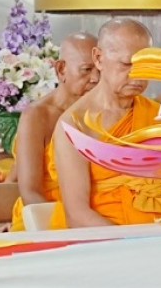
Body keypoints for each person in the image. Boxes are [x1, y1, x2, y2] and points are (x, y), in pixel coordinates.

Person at [52, 18, 161, 227]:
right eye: (126, 64)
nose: (137, 76)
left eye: (144, 66)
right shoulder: (75, 124)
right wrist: (129, 246)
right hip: (105, 240)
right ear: (98, 58)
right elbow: (77, 214)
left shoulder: (158, 114)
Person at [12, 33, 101, 212]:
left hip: (100, 211)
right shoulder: (38, 116)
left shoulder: (103, 111)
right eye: (86, 69)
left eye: (100, 70)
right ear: (61, 70)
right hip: (50, 214)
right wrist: (62, 223)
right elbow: (30, 192)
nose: (96, 79)